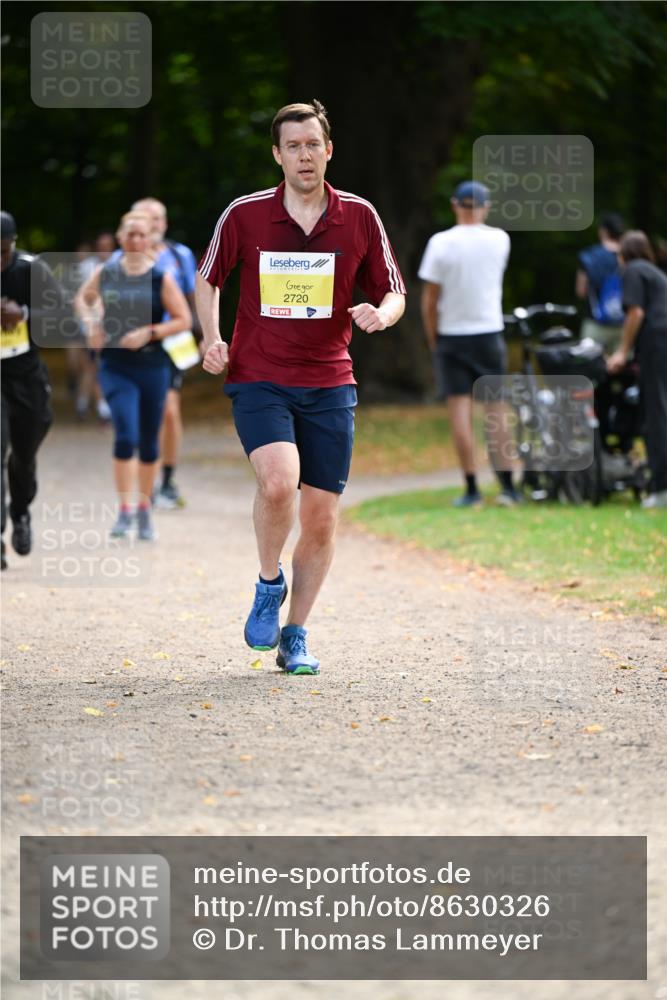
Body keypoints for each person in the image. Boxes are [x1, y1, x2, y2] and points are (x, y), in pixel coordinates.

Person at [195, 100, 405, 675]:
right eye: (293, 146)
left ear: (328, 150)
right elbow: (208, 278)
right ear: (277, 155)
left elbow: (395, 289)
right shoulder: (245, 214)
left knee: (321, 518)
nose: (305, 155)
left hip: (330, 379)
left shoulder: (360, 215)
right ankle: (269, 583)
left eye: (313, 144)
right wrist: (212, 338)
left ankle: (296, 635)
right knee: (279, 482)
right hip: (260, 375)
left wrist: (382, 316)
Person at [75, 211, 191, 539]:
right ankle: (124, 511)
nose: (137, 240)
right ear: (121, 238)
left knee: (149, 440)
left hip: (153, 366)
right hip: (115, 365)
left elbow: (182, 319)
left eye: (143, 235)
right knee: (126, 434)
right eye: (131, 235)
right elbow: (82, 301)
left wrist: (151, 332)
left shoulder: (160, 278)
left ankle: (144, 510)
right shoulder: (106, 272)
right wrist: (92, 324)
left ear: (150, 240)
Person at [419, 180, 517, 507]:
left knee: (460, 413)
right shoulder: (500, 240)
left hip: (452, 334)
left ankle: (472, 488)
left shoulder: (440, 243)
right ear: (485, 207)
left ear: (454, 205)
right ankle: (507, 486)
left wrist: (434, 339)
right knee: (496, 411)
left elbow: (430, 300)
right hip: (489, 332)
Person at [129, 198, 201, 509]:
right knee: (143, 412)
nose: (154, 224)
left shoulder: (179, 255)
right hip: (133, 344)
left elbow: (193, 297)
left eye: (158, 218)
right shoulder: (123, 257)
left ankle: (166, 479)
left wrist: (203, 336)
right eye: (147, 218)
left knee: (168, 411)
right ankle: (145, 476)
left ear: (165, 223)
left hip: (170, 343)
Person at [1, 210, 62, 569]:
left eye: (2, 252)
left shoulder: (31, 270)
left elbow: (61, 317)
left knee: (23, 453)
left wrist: (23, 314)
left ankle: (20, 511)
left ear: (13, 245)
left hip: (25, 376)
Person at [607, 231, 667, 509]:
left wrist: (621, 351)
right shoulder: (656, 274)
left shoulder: (632, 270)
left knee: (656, 415)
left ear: (624, 254)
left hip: (656, 345)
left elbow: (636, 313)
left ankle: (661, 488)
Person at [576, 212, 625, 353]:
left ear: (603, 231)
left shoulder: (589, 256)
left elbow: (581, 291)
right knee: (624, 372)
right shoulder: (629, 256)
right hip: (625, 326)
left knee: (590, 370)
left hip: (595, 324)